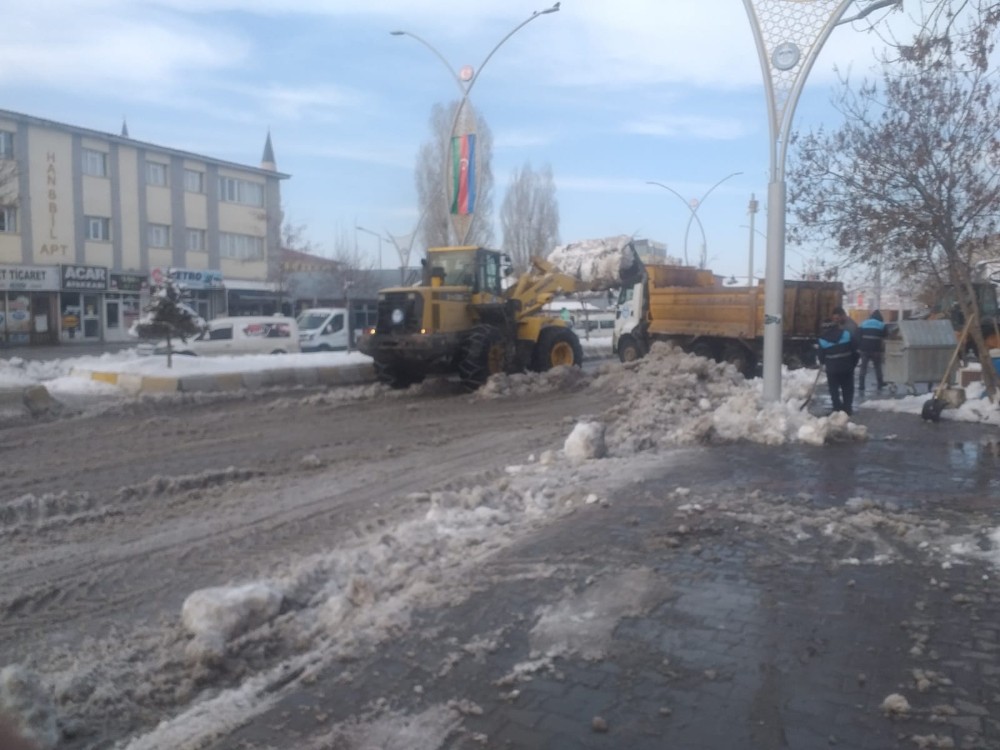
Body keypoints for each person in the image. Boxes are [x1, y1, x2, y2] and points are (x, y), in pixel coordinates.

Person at [817, 317, 860, 415]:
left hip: (832, 370)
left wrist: (825, 362)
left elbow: (821, 357)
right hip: (847, 367)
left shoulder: (822, 340)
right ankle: (847, 408)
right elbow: (855, 349)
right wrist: (853, 363)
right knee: (848, 388)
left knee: (834, 389)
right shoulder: (846, 334)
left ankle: (836, 408)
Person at [858, 310, 887, 392]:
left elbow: (858, 335)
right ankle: (880, 382)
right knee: (877, 367)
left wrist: (859, 347)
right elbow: (885, 336)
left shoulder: (863, 323)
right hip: (876, 349)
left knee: (863, 367)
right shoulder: (882, 325)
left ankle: (861, 385)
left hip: (864, 348)